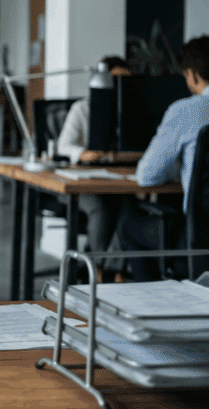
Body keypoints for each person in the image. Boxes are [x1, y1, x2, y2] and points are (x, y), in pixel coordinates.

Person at [115, 36, 209, 281]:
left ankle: (155, 308)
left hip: (199, 240)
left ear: (192, 74)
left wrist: (180, 168)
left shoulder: (186, 110)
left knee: (128, 228)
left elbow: (147, 175)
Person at [55, 55, 138, 282]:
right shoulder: (82, 108)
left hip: (115, 180)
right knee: (100, 208)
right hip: (80, 183)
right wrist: (82, 154)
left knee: (130, 208)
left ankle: (116, 269)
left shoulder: (132, 112)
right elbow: (64, 146)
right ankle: (98, 271)